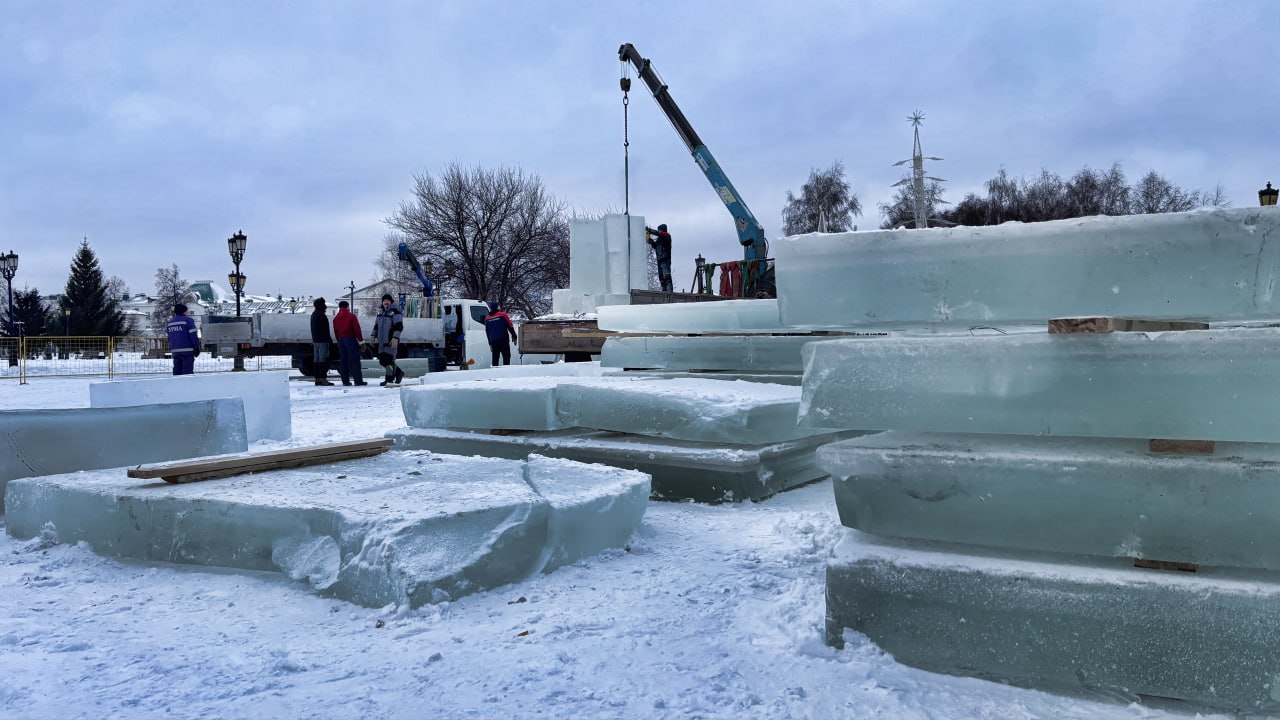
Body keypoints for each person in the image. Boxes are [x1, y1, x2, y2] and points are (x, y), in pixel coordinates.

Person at [371, 293, 405, 386]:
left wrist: (395, 337)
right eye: (384, 301)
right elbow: (376, 325)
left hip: (391, 341)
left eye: (387, 301)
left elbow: (399, 325)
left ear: (391, 302)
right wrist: (373, 335)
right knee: (382, 361)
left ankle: (389, 379)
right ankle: (398, 373)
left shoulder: (395, 311)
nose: (386, 303)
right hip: (382, 341)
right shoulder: (380, 313)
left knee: (388, 360)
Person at [332, 300, 367, 386]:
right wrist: (361, 341)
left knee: (343, 361)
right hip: (350, 339)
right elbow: (357, 329)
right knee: (354, 360)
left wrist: (339, 340)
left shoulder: (335, 318)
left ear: (339, 308)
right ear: (347, 307)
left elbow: (336, 332)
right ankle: (358, 381)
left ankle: (345, 381)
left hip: (341, 340)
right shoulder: (351, 316)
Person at [165, 303, 201, 376]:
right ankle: (187, 386)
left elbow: (169, 337)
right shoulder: (188, 320)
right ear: (184, 311)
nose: (187, 312)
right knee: (187, 373)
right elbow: (193, 335)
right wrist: (196, 347)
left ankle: (177, 385)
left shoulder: (170, 323)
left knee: (177, 372)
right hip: (187, 350)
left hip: (175, 350)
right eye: (187, 311)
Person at [483, 301, 518, 367]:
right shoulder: (503, 315)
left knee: (495, 358)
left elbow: (487, 332)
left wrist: (490, 343)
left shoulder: (487, 319)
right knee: (506, 356)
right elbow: (510, 325)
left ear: (490, 308)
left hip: (493, 341)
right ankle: (506, 370)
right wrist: (514, 335)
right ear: (497, 307)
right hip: (503, 340)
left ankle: (495, 371)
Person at [310, 297, 334, 386]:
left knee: (316, 360)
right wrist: (329, 339)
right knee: (323, 360)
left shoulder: (314, 314)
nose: (326, 307)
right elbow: (325, 329)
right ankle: (323, 378)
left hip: (315, 340)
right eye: (324, 305)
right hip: (323, 340)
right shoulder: (321, 315)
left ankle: (317, 379)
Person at [647, 223, 673, 292]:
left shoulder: (667, 236)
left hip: (665, 258)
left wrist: (650, 230)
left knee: (666, 276)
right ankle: (664, 291)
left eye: (660, 230)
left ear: (663, 230)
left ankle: (670, 292)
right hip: (659, 259)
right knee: (661, 278)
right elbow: (655, 246)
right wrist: (650, 241)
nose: (659, 231)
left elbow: (660, 234)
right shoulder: (659, 239)